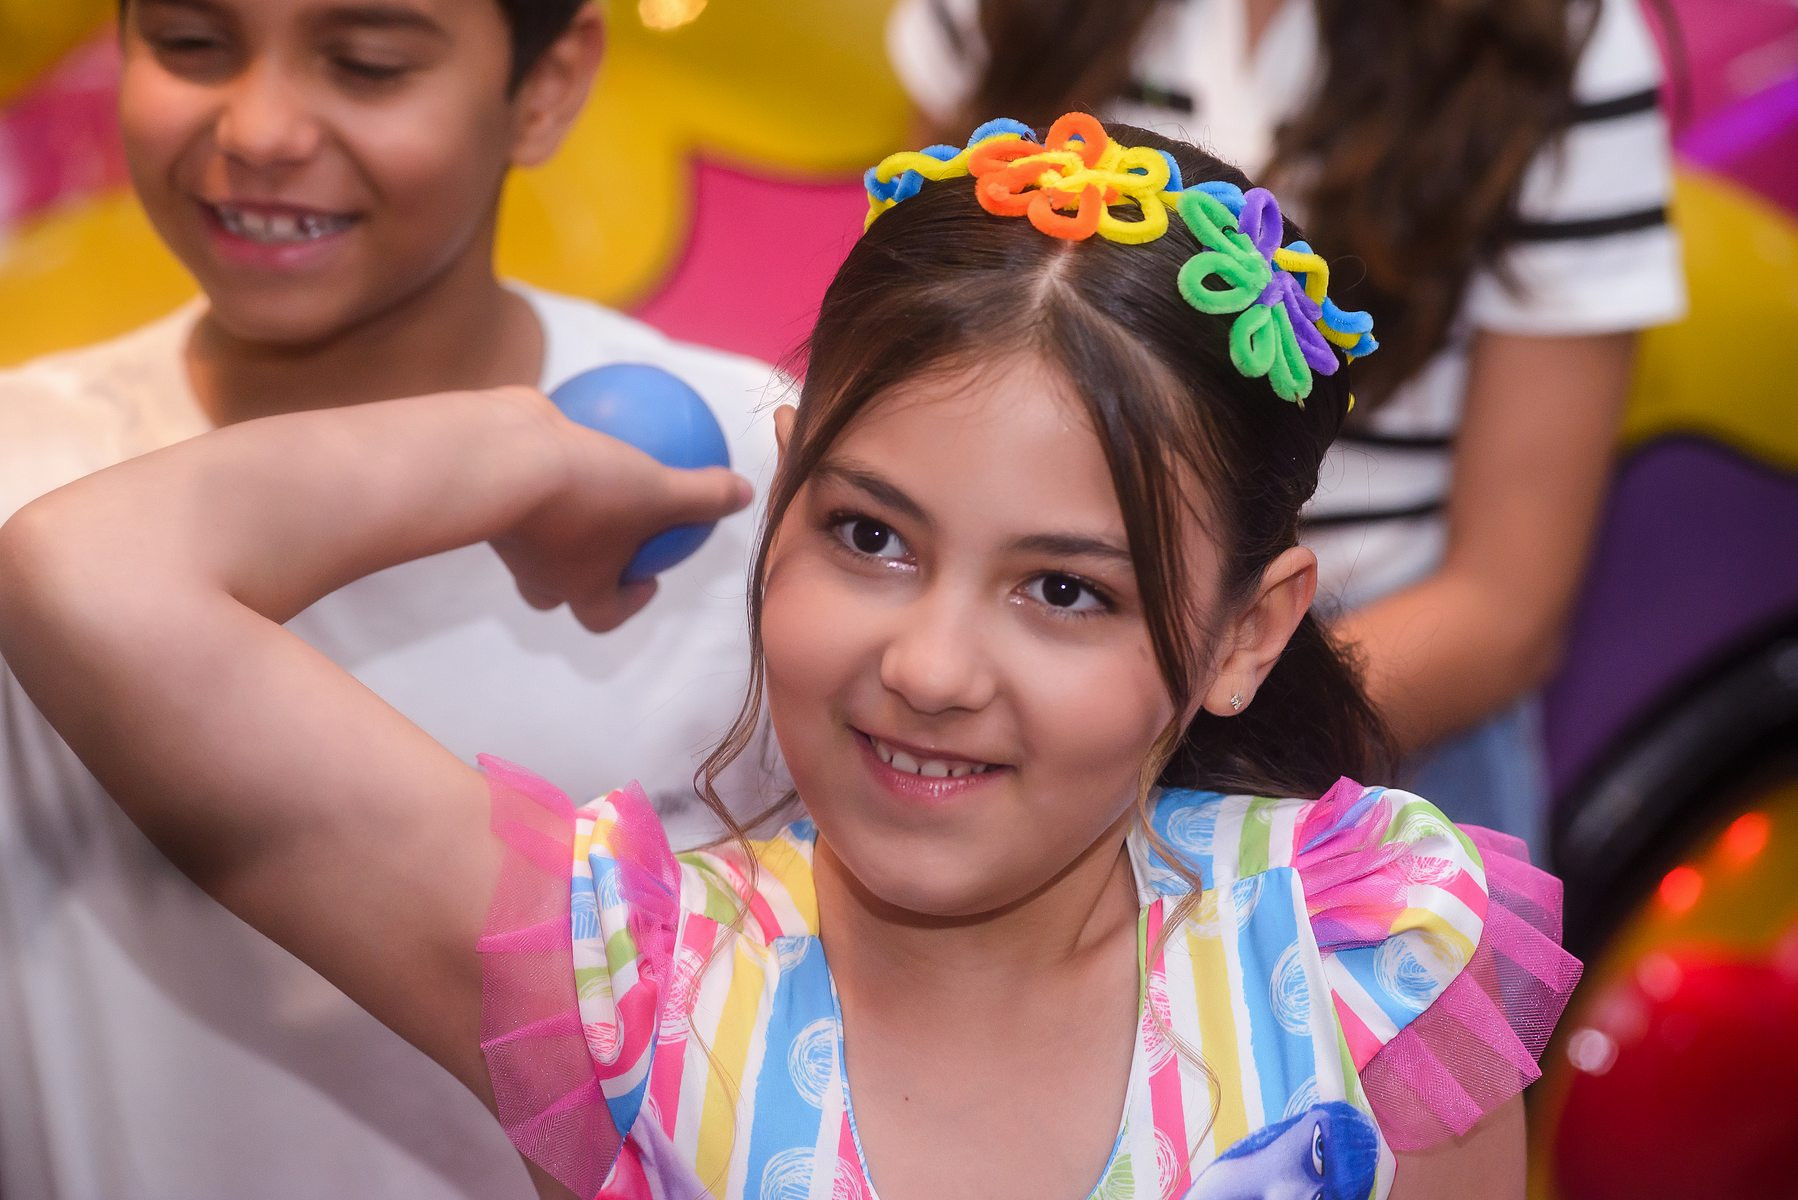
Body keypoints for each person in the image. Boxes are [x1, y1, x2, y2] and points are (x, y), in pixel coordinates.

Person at [0, 116, 1582, 1199]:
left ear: (1246, 633)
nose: (932, 665)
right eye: (869, 537)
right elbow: (85, 575)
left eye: (1063, 591)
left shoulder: (1367, 968)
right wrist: (522, 448)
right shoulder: (634, 991)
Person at [0, 1, 780, 1196]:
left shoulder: (777, 486)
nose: (258, 129)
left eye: (367, 65)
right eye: (190, 45)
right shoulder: (27, 463)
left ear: (547, 82)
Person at [886, 0, 1686, 854]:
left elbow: (1504, 608)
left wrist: (1139, 726)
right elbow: (917, 325)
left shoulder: (1559, 42)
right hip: (1011, 635)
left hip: (1357, 707)